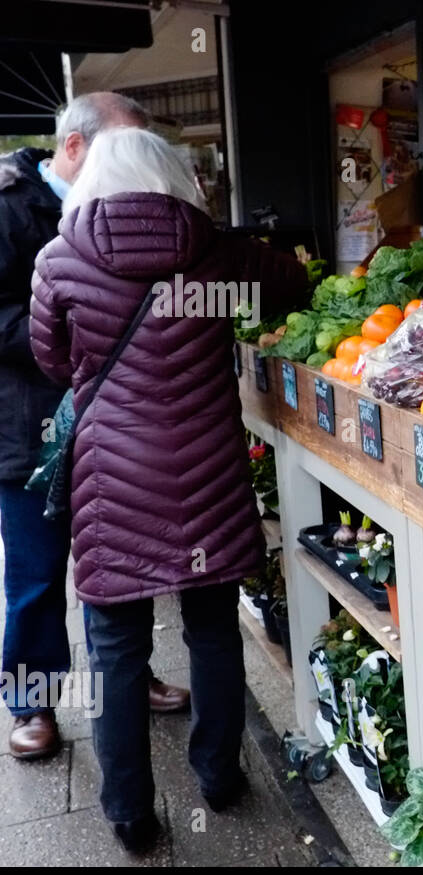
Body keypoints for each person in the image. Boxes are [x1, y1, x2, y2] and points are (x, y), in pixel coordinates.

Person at [29, 127, 306, 852]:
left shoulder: (58, 260)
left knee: (116, 651)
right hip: (209, 470)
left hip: (110, 480)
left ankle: (128, 813)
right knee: (212, 630)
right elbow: (292, 281)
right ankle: (218, 775)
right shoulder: (216, 254)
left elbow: (53, 361)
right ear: (174, 180)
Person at [0, 92, 190, 762]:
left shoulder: (127, 202)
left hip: (116, 427)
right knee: (34, 577)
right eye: (120, 148)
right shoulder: (6, 204)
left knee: (125, 567)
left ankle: (131, 680)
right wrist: (78, 329)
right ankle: (31, 702)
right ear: (75, 147)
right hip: (32, 430)